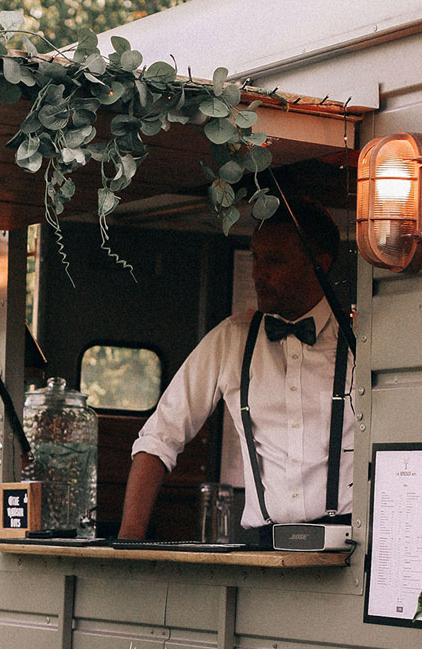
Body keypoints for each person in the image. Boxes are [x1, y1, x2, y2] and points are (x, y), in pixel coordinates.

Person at [119, 199, 354, 541]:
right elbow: (159, 436)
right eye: (256, 256)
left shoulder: (360, 342)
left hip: (351, 548)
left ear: (320, 265)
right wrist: (129, 539)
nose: (258, 272)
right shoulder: (233, 338)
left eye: (274, 260)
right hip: (264, 548)